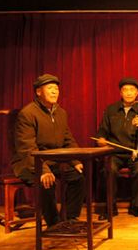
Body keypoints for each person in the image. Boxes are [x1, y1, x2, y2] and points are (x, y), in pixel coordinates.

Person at [12, 74, 85, 228]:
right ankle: (54, 224)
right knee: (47, 182)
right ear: (38, 92)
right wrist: (43, 170)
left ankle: (71, 219)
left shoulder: (61, 113)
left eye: (56, 89)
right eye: (50, 88)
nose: (54, 92)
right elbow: (27, 148)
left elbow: (68, 140)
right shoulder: (28, 113)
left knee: (77, 176)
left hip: (53, 161)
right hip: (29, 163)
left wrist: (76, 160)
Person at [96, 77, 138, 219]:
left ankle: (136, 206)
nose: (128, 93)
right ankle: (110, 207)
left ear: (137, 94)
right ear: (120, 93)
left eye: (132, 90)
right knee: (109, 169)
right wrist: (101, 139)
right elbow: (102, 131)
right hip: (115, 153)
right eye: (125, 90)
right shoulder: (111, 110)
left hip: (136, 154)